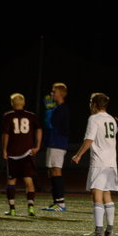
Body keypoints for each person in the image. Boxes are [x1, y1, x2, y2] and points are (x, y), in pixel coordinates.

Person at [72, 92, 118, 236]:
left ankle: (98, 229)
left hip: (99, 162)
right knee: (107, 194)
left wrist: (78, 155)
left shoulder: (94, 119)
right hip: (111, 162)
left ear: (95, 104)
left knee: (96, 193)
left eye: (91, 102)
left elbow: (89, 139)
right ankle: (110, 228)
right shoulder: (111, 119)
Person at [2, 93, 42, 217]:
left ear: (12, 103)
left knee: (11, 180)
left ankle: (12, 208)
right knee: (28, 180)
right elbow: (39, 129)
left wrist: (4, 150)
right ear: (23, 103)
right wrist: (38, 146)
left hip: (13, 153)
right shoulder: (31, 116)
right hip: (27, 152)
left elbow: (6, 134)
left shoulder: (8, 116)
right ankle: (31, 207)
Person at [42, 82, 70, 211]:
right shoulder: (58, 108)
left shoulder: (62, 108)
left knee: (56, 170)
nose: (51, 93)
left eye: (54, 91)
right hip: (53, 142)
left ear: (61, 94)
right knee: (51, 171)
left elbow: (51, 124)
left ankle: (60, 202)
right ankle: (56, 201)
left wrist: (49, 111)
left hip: (57, 143)